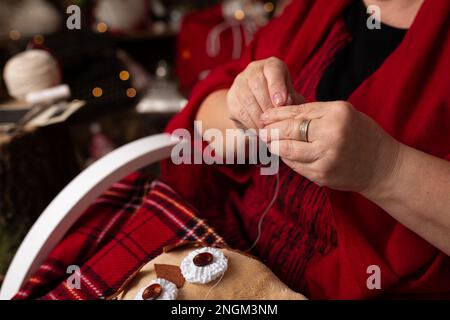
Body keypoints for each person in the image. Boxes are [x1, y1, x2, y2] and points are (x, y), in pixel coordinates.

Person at [162, 0, 450, 299]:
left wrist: (386, 166)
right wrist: (242, 117)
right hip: (227, 239)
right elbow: (211, 103)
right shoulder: (317, 7)